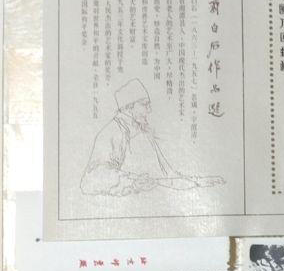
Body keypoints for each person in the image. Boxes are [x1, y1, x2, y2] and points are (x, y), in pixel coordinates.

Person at [80, 78, 224, 196]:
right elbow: (91, 179)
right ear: (129, 107)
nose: (149, 110)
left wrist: (199, 182)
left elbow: (168, 174)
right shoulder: (112, 132)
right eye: (144, 105)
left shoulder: (144, 131)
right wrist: (132, 182)